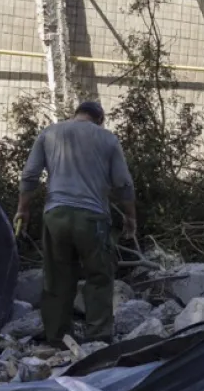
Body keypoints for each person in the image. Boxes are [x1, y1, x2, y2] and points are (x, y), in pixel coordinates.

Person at [17, 101, 136, 345]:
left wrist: (23, 210)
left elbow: (30, 175)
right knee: (99, 276)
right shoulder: (108, 139)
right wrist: (130, 215)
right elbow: (123, 183)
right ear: (100, 119)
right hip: (92, 218)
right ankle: (99, 335)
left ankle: (56, 335)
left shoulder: (49, 133)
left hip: (56, 215)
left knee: (57, 277)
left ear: (76, 115)